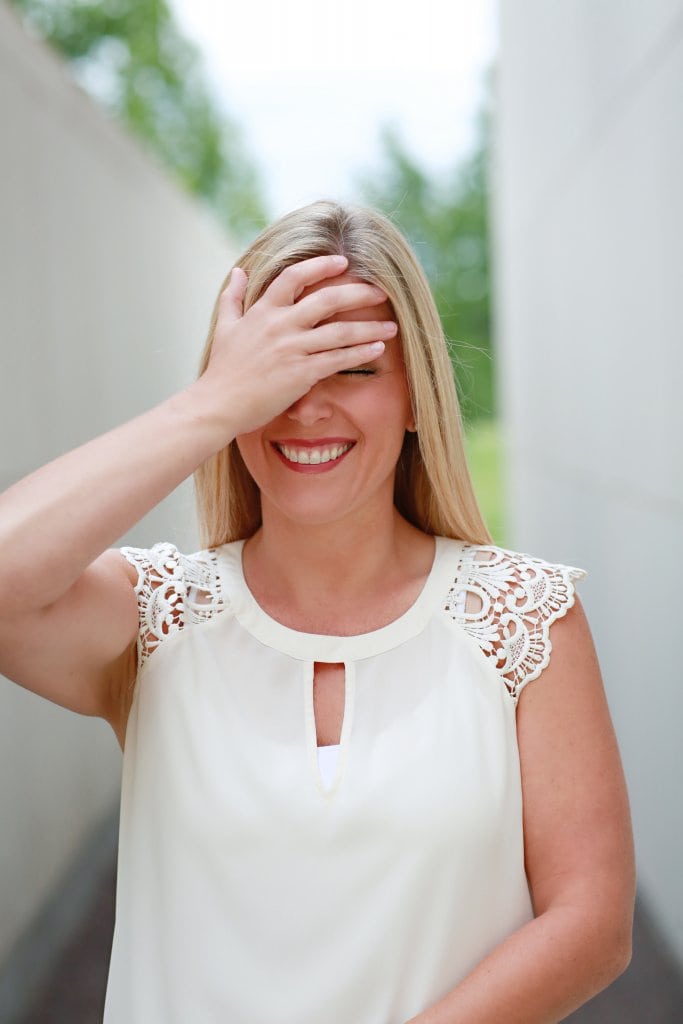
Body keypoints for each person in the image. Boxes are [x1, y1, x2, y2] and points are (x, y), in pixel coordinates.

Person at [0, 200, 634, 1023]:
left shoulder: (523, 618)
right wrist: (213, 404)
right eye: (280, 372)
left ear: (415, 396)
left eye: (354, 368)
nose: (306, 407)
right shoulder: (155, 619)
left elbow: (590, 924)